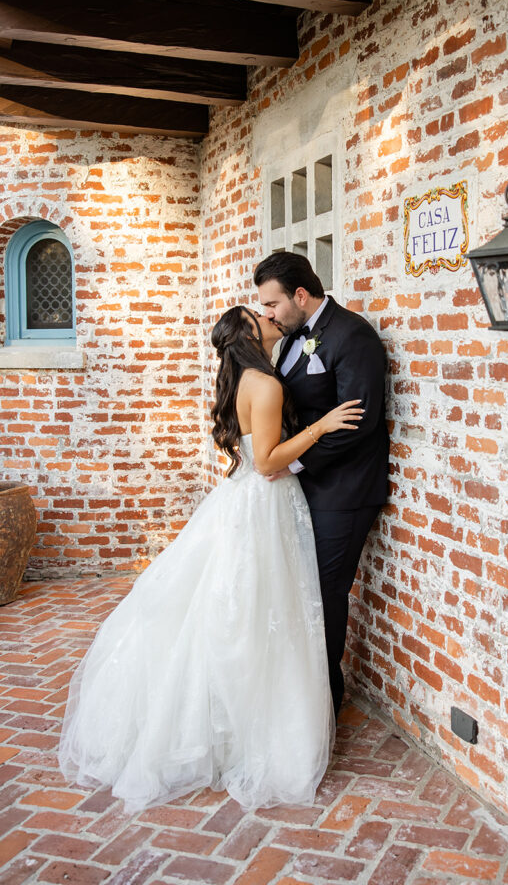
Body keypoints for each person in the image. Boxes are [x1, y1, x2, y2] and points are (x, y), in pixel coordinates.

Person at [58, 306, 364, 814]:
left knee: (246, 608)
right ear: (248, 334)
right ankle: (247, 729)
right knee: (258, 611)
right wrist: (323, 425)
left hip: (244, 502)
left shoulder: (245, 377)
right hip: (263, 505)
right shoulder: (264, 386)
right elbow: (266, 462)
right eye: (257, 314)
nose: (268, 315)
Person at [255, 252, 390, 717]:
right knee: (302, 587)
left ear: (300, 295)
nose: (267, 314)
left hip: (345, 491)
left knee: (325, 591)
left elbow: (358, 423)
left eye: (272, 304)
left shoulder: (352, 336)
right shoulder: (292, 338)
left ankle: (325, 704)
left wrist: (292, 464)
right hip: (306, 485)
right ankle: (305, 695)